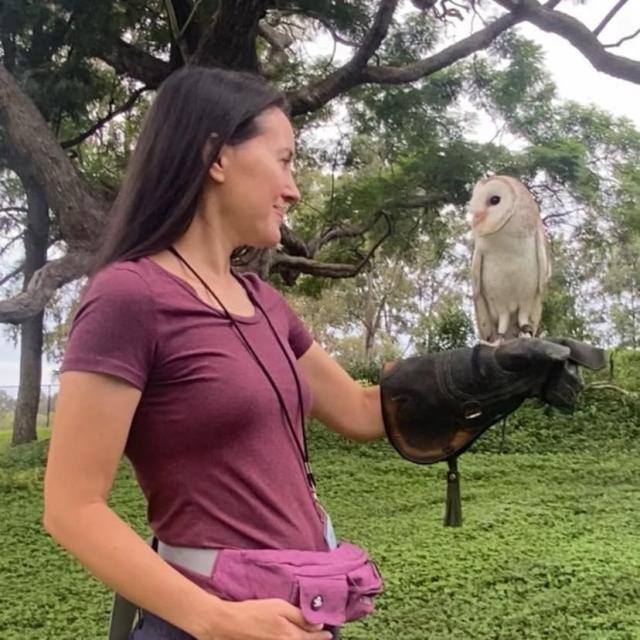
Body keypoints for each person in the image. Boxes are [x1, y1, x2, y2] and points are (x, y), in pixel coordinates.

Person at [43, 66, 601, 640]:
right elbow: (71, 506)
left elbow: (360, 410)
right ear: (216, 157)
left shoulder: (260, 299)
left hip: (302, 609)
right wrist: (215, 619)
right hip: (211, 621)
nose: (294, 187)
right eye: (284, 160)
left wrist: (487, 371)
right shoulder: (129, 297)